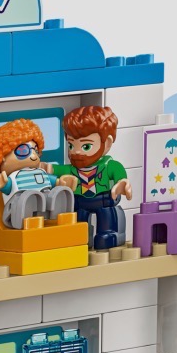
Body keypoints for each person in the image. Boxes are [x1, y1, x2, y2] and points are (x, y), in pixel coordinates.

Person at [54, 106, 132, 249]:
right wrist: (40, 166)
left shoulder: (108, 165)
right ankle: (79, 237)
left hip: (103, 199)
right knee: (78, 221)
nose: (76, 152)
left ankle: (109, 233)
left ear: (107, 143)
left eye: (86, 146)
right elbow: (55, 169)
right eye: (71, 145)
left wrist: (122, 182)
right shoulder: (72, 169)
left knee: (107, 214)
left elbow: (118, 172)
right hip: (80, 201)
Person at [0, 118, 75, 229]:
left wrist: (60, 182)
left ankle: (59, 216)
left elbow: (51, 181)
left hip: (43, 206)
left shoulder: (41, 172)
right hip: (17, 210)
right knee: (28, 197)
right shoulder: (14, 177)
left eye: (35, 150)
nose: (33, 156)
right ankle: (29, 218)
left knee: (57, 192)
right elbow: (8, 187)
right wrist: (2, 184)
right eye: (23, 151)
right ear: (2, 157)